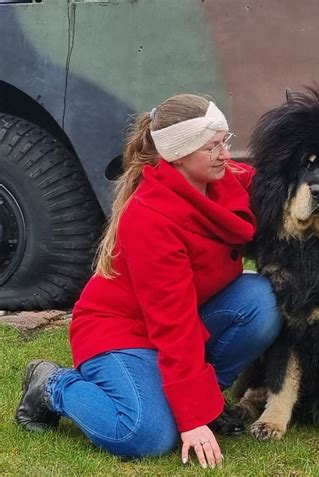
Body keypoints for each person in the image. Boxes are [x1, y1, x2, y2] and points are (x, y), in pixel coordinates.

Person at [15, 94, 283, 469]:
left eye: (226, 140)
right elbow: (173, 324)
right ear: (179, 155)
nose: (226, 153)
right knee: (145, 434)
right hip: (122, 333)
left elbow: (278, 182)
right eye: (212, 146)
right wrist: (190, 420)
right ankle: (53, 385)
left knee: (261, 301)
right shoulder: (151, 218)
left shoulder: (224, 178)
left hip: (183, 317)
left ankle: (203, 398)